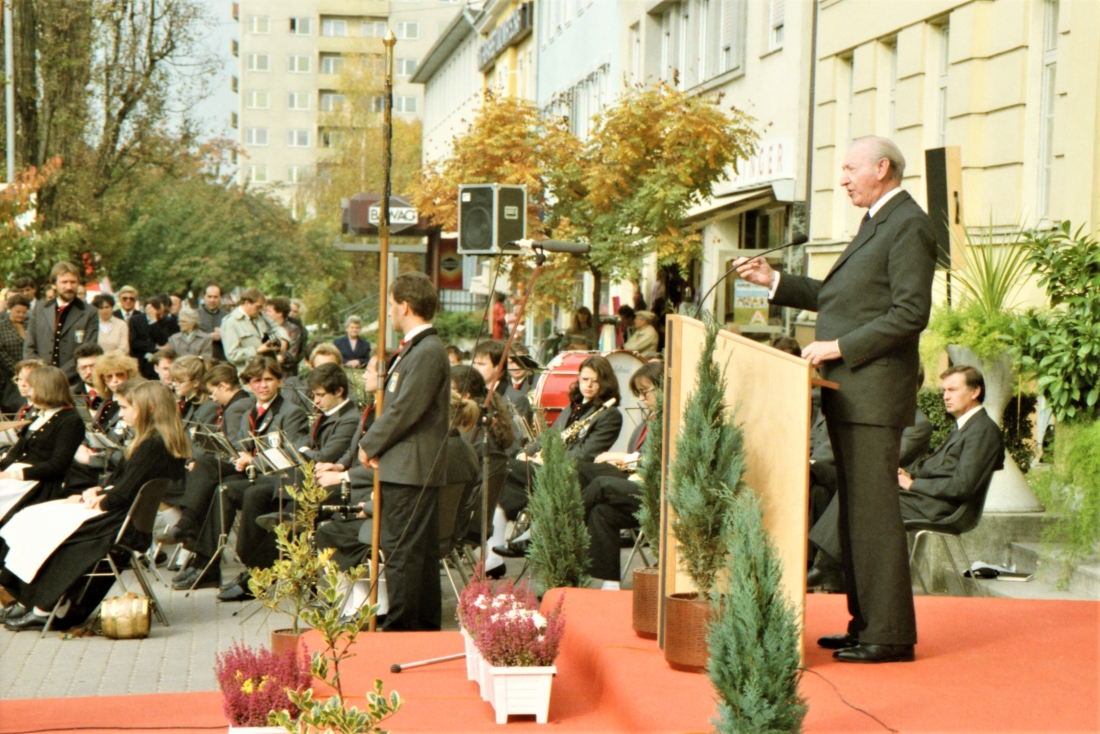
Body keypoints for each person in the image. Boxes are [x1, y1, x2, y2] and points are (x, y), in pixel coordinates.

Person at [735, 135, 936, 664]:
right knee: (855, 518)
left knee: (873, 517)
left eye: (849, 169)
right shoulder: (877, 223)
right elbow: (839, 298)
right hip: (852, 395)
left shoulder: (909, 224)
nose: (842, 179)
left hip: (872, 395)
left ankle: (889, 635)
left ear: (882, 168)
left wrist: (839, 346)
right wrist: (774, 280)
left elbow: (911, 313)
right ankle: (865, 624)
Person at [0, 380, 189, 630]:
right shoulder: (155, 440)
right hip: (122, 517)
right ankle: (33, 602)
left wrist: (90, 498)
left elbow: (121, 495)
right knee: (34, 516)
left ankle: (43, 607)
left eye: (125, 407)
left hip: (118, 523)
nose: (121, 414)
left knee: (45, 525)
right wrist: (96, 491)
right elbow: (124, 485)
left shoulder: (152, 444)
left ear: (149, 407)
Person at [808, 366, 1004, 594]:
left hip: (943, 508)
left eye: (952, 390)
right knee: (847, 487)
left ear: (975, 391)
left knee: (859, 496)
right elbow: (940, 470)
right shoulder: (965, 427)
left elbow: (962, 486)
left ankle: (827, 567)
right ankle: (828, 567)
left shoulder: (982, 430)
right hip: (930, 500)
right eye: (944, 390)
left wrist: (912, 484)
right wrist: (908, 475)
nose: (945, 396)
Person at [215, 362, 361, 602]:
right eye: (314, 395)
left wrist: (304, 452)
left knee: (285, 511)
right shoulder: (328, 414)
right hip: (302, 480)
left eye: (321, 395)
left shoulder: (349, 418)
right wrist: (304, 452)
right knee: (255, 495)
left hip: (324, 484)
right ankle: (251, 562)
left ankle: (257, 575)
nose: (316, 400)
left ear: (339, 391)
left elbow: (323, 455)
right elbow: (303, 448)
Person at [357, 272, 450, 631]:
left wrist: (369, 443)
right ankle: (421, 625)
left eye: (392, 304)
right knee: (417, 554)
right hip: (407, 464)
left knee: (401, 552)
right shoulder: (418, 349)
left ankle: (401, 627)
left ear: (405, 306)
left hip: (410, 468)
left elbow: (404, 409)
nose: (389, 312)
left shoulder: (426, 351)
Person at [171, 357, 307, 591]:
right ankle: (202, 553)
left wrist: (253, 460)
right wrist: (237, 456)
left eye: (269, 379)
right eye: (257, 381)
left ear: (279, 381)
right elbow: (242, 446)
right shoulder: (249, 413)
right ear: (249, 384)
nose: (263, 385)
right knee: (212, 474)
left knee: (225, 488)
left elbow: (292, 455)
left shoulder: (291, 413)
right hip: (253, 474)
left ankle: (213, 562)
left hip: (276, 481)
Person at [487, 354, 623, 577]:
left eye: (595, 381)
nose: (588, 385)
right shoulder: (575, 406)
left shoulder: (610, 415)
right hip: (550, 467)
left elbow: (585, 455)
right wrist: (527, 453)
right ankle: (498, 553)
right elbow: (549, 436)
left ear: (605, 383)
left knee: (505, 472)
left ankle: (503, 549)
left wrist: (545, 459)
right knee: (506, 469)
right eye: (585, 379)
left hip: (572, 475)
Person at [154, 363, 254, 560]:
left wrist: (206, 458)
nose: (213, 398)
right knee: (202, 468)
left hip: (241, 467)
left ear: (224, 386)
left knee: (202, 468)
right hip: (229, 466)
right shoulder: (236, 404)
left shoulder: (236, 408)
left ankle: (187, 528)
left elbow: (234, 448)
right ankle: (188, 531)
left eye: (213, 392)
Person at [0, 366, 86, 509]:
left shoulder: (70, 421)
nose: (28, 392)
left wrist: (13, 475)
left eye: (31, 387)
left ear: (46, 389)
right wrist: (2, 467)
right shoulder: (39, 416)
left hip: (39, 482)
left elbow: (57, 465)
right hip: (17, 476)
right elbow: (16, 452)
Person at [64, 351, 141, 492]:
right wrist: (82, 446)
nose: (114, 381)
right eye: (109, 377)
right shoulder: (106, 403)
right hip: (95, 465)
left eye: (120, 375)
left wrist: (92, 460)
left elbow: (128, 452)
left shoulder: (135, 405)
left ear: (129, 375)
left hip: (110, 472)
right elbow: (92, 431)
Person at [23, 262, 99, 384]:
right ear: (54, 284)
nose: (69, 287)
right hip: (41, 380)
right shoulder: (40, 309)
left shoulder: (89, 312)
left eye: (73, 282)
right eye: (64, 282)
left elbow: (87, 351)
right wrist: (40, 372)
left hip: (73, 383)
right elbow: (29, 346)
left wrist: (59, 377)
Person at [471, 340, 532, 453]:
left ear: (498, 367)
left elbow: (514, 444)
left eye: (481, 364)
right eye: (474, 363)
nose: (475, 368)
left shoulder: (517, 399)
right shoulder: (472, 394)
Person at [221, 288, 282, 372]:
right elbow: (232, 355)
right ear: (247, 303)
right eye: (258, 307)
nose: (260, 310)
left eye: (261, 307)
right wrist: (257, 351)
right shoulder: (231, 322)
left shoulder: (259, 318)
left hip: (265, 369)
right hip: (247, 373)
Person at [114, 285, 162, 380]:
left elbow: (149, 338)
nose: (128, 301)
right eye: (125, 298)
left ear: (135, 300)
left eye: (131, 299)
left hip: (139, 362)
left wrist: (154, 346)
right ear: (119, 299)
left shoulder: (143, 317)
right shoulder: (113, 316)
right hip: (118, 359)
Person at [0, 295, 30, 408]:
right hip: (7, 378)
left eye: (24, 312)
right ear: (10, 309)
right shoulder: (1, 327)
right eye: (18, 312)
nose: (21, 315)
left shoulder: (29, 326)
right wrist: (19, 372)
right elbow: (1, 353)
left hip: (29, 376)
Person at [265, 297, 302, 375]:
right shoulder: (265, 328)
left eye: (269, 311)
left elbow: (292, 353)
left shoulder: (292, 329)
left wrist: (275, 359)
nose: (266, 314)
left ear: (279, 313)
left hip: (284, 373)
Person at [71, 343, 105, 410]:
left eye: (93, 366)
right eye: (84, 368)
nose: (89, 371)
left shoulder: (114, 391)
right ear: (77, 370)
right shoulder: (70, 395)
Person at [199, 284, 228, 361]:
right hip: (201, 357)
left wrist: (223, 334)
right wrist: (208, 337)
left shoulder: (227, 317)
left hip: (222, 358)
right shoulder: (195, 315)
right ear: (204, 297)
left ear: (221, 298)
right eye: (209, 297)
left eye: (215, 297)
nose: (212, 300)